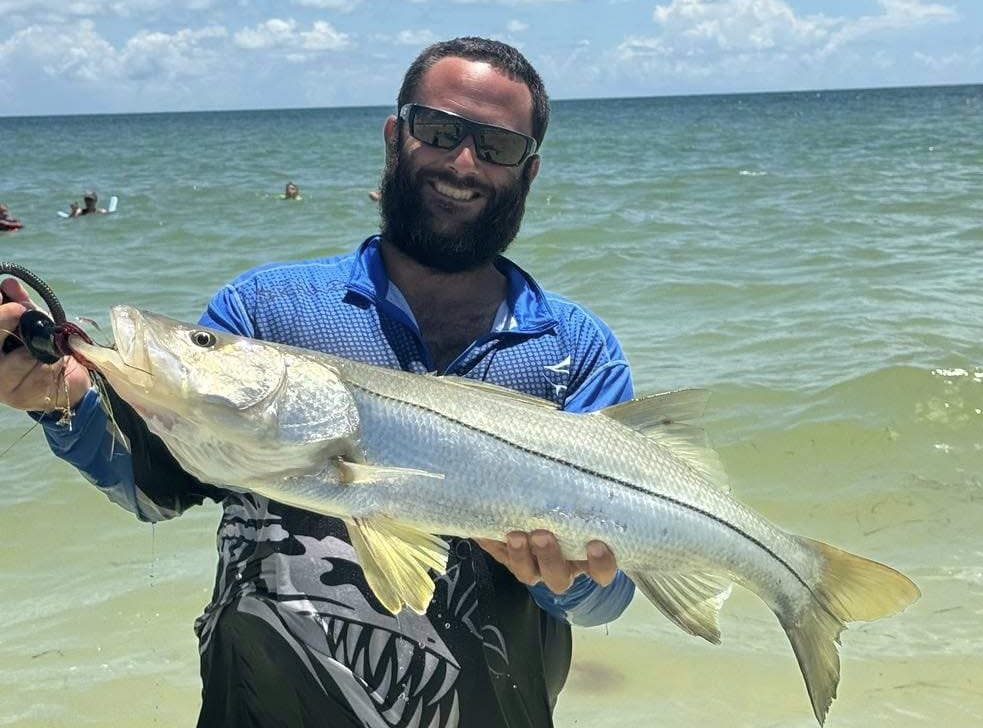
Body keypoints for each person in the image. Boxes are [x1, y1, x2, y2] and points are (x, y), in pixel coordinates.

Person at [0, 37, 635, 728]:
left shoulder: (577, 351)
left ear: (529, 171)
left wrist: (572, 583)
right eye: (440, 130)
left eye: (497, 146)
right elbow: (159, 482)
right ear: (396, 136)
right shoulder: (264, 311)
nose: (463, 162)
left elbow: (614, 593)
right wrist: (63, 398)